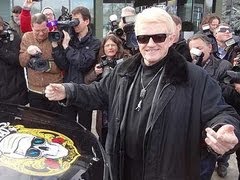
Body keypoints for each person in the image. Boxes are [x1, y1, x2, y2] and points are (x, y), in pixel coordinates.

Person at [45, 7, 240, 180]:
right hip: (124, 168)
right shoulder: (124, 71)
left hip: (168, 172)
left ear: (172, 38)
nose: (151, 43)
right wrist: (67, 90)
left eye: (159, 37)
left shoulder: (194, 77)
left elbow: (221, 113)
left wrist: (223, 129)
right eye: (143, 38)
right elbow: (98, 92)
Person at [187, 33, 240, 179]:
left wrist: (203, 80)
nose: (195, 52)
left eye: (198, 48)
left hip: (217, 116)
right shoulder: (188, 66)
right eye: (192, 49)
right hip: (194, 123)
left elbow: (229, 96)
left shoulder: (223, 66)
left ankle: (223, 163)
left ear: (209, 48)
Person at [51, 6, 100, 131]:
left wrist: (67, 47)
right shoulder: (70, 40)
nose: (74, 24)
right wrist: (56, 46)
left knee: (84, 130)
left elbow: (83, 63)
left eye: (77, 20)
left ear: (87, 21)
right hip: (68, 90)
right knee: (67, 128)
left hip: (85, 91)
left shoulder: (95, 42)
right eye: (72, 20)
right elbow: (63, 65)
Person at [84, 34, 130, 146]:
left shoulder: (126, 60)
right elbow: (87, 81)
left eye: (113, 45)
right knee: (104, 138)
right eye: (107, 45)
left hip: (121, 105)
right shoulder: (100, 61)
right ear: (103, 48)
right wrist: (95, 73)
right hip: (104, 108)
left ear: (118, 46)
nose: (110, 48)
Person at [19, 13, 63, 113]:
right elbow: (22, 62)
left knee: (56, 123)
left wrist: (47, 66)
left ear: (48, 25)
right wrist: (28, 53)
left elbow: (63, 65)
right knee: (38, 123)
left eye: (44, 30)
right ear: (31, 27)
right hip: (34, 90)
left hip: (54, 89)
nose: (41, 33)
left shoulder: (55, 37)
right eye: (37, 31)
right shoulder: (27, 37)